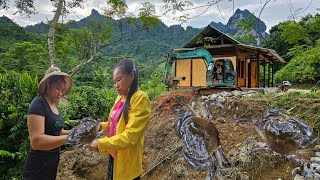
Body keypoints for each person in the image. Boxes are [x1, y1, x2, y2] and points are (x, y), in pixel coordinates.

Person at [89, 59, 151, 180]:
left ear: (132, 76)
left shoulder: (140, 98)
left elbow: (130, 136)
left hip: (128, 162)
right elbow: (112, 124)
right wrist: (96, 126)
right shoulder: (120, 98)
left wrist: (100, 143)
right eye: (114, 82)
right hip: (114, 156)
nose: (116, 85)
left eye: (119, 80)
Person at [22, 66, 72, 180]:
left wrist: (76, 131)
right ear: (49, 84)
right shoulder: (38, 104)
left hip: (51, 164)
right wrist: (69, 137)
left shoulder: (55, 106)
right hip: (37, 167)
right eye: (57, 88)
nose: (60, 93)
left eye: (63, 90)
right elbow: (36, 141)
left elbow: (58, 132)